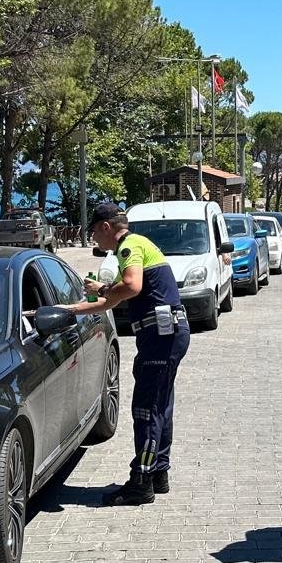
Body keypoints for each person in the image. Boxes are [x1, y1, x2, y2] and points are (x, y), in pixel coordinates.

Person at [61, 202, 190, 505]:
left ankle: (140, 482)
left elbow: (130, 286)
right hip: (165, 335)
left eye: (93, 232)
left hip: (161, 335)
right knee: (160, 406)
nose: (93, 239)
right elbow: (110, 303)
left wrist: (105, 288)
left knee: (146, 409)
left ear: (106, 227)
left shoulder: (129, 246)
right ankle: (158, 473)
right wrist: (71, 310)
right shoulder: (139, 245)